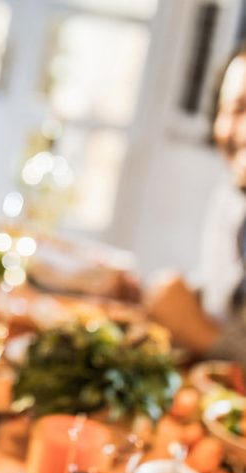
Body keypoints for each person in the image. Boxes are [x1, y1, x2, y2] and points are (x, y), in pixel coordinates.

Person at [145, 44, 246, 361]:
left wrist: (204, 337)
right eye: (233, 108)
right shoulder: (231, 195)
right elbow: (223, 300)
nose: (242, 131)